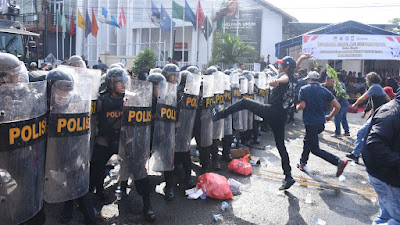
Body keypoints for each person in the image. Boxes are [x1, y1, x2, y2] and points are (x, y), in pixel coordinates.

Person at [212, 56, 297, 190]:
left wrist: (276, 80)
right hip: (281, 117)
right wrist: (302, 57)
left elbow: (283, 79)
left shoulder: (284, 77)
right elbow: (290, 71)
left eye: (281, 65)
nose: (278, 67)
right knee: (281, 146)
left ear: (286, 68)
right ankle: (288, 176)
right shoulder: (294, 78)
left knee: (245, 102)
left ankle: (218, 115)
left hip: (272, 111)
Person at [45, 69, 96, 225]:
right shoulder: (38, 106)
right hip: (44, 153)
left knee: (77, 180)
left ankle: (89, 218)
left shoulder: (73, 106)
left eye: (67, 90)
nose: (63, 94)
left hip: (67, 151)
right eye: (60, 89)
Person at [295, 71, 348, 176]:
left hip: (311, 123)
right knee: (307, 140)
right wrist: (329, 116)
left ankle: (338, 161)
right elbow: (337, 106)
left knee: (315, 149)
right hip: (320, 123)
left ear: (309, 80)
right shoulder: (324, 91)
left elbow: (302, 105)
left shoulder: (304, 89)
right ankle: (303, 162)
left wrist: (297, 107)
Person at [363, 92, 400, 225]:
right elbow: (375, 143)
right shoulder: (391, 112)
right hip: (385, 176)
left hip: (389, 174)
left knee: (386, 215)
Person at [346, 72, 390, 163]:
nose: (366, 81)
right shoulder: (378, 87)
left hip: (378, 115)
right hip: (379, 115)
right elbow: (376, 101)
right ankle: (359, 153)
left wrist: (354, 104)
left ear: (370, 79)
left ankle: (356, 154)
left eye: (367, 79)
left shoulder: (375, 87)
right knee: (368, 135)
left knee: (361, 133)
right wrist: (366, 112)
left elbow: (363, 98)